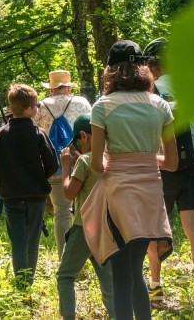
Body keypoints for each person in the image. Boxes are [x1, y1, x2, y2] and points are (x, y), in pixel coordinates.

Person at [82, 40, 178, 320]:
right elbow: (171, 163)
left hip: (119, 196)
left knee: (122, 275)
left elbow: (98, 165)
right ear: (143, 68)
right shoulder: (160, 105)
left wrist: (121, 161)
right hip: (150, 195)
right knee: (135, 270)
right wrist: (145, 159)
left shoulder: (103, 107)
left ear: (110, 70)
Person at [142, 39, 194, 295]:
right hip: (193, 166)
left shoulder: (150, 91)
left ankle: (155, 283)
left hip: (161, 167)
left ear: (153, 65)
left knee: (154, 227)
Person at [0, 84, 57, 288]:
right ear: (28, 110)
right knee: (32, 239)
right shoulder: (38, 133)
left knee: (18, 240)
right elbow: (52, 165)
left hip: (11, 196)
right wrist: (38, 176)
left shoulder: (0, 134)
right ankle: (29, 280)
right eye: (35, 106)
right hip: (36, 195)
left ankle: (21, 282)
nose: (37, 109)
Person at [56, 113, 115, 320]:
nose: (77, 147)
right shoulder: (112, 159)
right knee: (108, 280)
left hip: (84, 227)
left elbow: (68, 193)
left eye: (78, 142)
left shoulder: (85, 161)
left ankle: (68, 317)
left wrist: (65, 167)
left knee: (65, 276)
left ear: (84, 136)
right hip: (107, 228)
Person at [34, 70, 92, 258]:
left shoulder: (42, 106)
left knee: (61, 213)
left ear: (51, 89)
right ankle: (89, 256)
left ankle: (64, 258)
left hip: (53, 164)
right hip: (81, 162)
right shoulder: (82, 103)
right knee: (86, 211)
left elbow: (34, 132)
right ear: (67, 87)